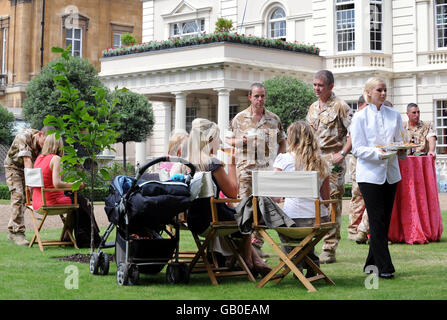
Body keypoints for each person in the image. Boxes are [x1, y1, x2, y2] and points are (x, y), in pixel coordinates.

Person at [187, 118, 272, 276]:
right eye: (218, 138)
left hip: (193, 219)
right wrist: (232, 164)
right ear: (210, 140)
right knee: (248, 219)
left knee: (240, 216)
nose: (220, 142)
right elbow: (233, 193)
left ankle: (257, 262)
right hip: (213, 219)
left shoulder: (186, 164)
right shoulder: (212, 163)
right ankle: (247, 263)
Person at [350, 77, 407, 279]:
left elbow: (399, 141)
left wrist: (401, 151)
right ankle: (385, 267)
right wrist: (379, 153)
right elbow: (357, 149)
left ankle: (370, 264)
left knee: (384, 220)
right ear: (368, 92)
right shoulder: (359, 117)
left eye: (385, 90)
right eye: (379, 90)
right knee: (376, 220)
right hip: (370, 175)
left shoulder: (394, 114)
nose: (383, 93)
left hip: (391, 174)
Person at [226, 82, 287, 257]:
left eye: (262, 96)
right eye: (256, 96)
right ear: (250, 97)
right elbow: (228, 141)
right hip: (245, 170)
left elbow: (282, 140)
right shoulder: (239, 118)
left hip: (266, 170)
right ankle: (242, 246)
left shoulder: (274, 119)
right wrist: (242, 141)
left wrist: (279, 158)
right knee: (244, 206)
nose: (260, 99)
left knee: (264, 208)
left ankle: (257, 245)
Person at [306, 70, 353, 264]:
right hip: (314, 161)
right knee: (313, 203)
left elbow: (353, 133)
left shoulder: (341, 106)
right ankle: (311, 245)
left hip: (333, 163)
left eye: (321, 85)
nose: (317, 88)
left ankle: (329, 248)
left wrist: (342, 154)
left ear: (331, 86)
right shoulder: (312, 107)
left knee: (332, 203)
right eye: (315, 85)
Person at [272, 121, 331, 277]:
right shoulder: (321, 161)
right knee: (306, 237)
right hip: (320, 219)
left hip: (294, 220)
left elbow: (274, 194)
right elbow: (326, 197)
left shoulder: (283, 160)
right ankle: (312, 265)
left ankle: (295, 263)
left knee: (281, 226)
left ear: (291, 139)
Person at [3, 126, 54, 245]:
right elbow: (27, 160)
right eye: (44, 142)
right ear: (41, 134)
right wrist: (31, 185)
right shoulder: (24, 137)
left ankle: (12, 231)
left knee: (25, 199)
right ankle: (18, 234)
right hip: (13, 168)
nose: (44, 146)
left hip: (28, 168)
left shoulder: (44, 143)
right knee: (18, 196)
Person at [32, 133, 85, 211]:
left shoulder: (39, 158)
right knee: (82, 201)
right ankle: (82, 223)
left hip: (36, 202)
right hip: (50, 201)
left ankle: (71, 223)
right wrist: (76, 185)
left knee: (73, 197)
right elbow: (57, 184)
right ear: (59, 144)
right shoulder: (56, 159)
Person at [347, 95, 370, 244]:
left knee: (368, 195)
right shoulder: (355, 118)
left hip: (368, 159)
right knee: (358, 195)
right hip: (357, 159)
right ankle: (355, 230)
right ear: (362, 105)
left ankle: (361, 229)